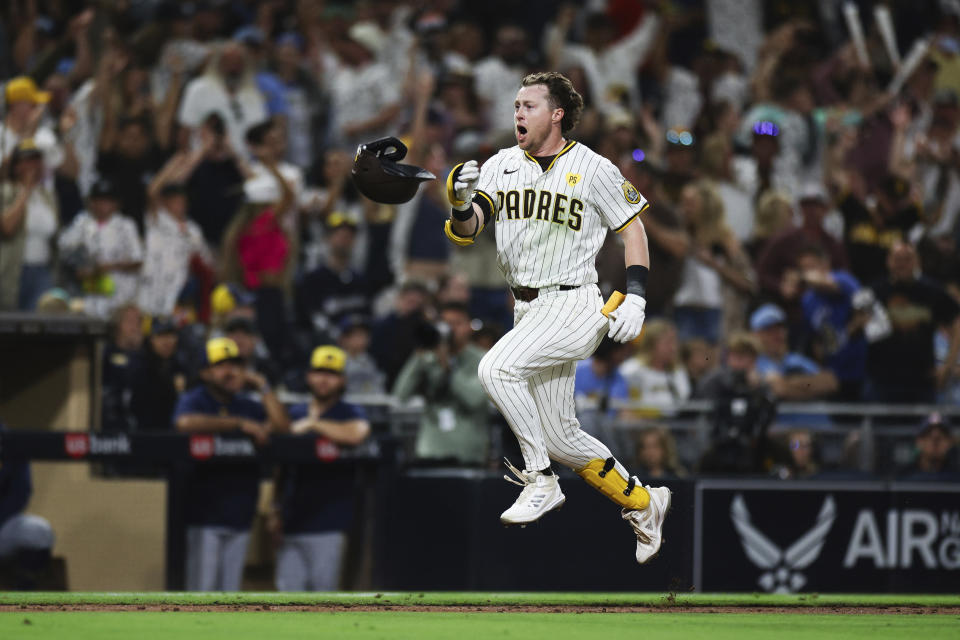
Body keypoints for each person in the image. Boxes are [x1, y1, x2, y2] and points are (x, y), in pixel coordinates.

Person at [444, 72, 670, 564]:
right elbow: (469, 230)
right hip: (526, 309)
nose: (518, 113)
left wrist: (635, 298)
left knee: (494, 369)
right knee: (561, 435)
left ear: (556, 113)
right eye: (516, 106)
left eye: (528, 105)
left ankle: (540, 479)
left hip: (574, 302)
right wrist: (461, 202)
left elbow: (634, 232)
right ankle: (644, 502)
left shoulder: (594, 167)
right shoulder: (502, 164)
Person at [172, 337, 287, 591]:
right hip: (204, 515)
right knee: (201, 595)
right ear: (205, 372)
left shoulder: (247, 404)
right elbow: (184, 423)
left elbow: (281, 427)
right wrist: (238, 424)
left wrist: (263, 385)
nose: (231, 371)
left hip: (241, 513)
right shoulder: (196, 399)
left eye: (235, 365)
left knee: (229, 597)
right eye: (221, 365)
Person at [273, 345, 371, 591]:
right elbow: (280, 467)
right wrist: (274, 511)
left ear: (342, 379)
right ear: (308, 376)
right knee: (286, 595)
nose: (324, 379)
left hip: (330, 521)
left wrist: (314, 424)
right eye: (319, 372)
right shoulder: (295, 413)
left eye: (331, 373)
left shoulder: (349, 411)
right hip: (292, 520)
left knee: (324, 596)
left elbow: (356, 434)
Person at [393, 302, 490, 465]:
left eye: (456, 323)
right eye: (445, 324)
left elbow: (474, 400)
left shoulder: (483, 359)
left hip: (467, 454)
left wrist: (447, 366)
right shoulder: (428, 358)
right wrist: (419, 355)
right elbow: (400, 395)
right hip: (430, 451)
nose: (450, 330)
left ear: (468, 327)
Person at [863, 242, 960, 403]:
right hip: (881, 381)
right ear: (888, 261)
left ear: (917, 262)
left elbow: (956, 322)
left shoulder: (931, 291)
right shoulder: (874, 292)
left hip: (921, 382)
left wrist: (948, 367)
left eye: (907, 259)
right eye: (897, 259)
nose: (902, 264)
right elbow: (854, 327)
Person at [57, 178, 143, 318]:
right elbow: (65, 250)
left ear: (116, 203)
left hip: (120, 294)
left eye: (108, 200)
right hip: (90, 295)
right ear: (91, 202)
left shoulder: (126, 225)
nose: (103, 205)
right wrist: (82, 267)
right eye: (99, 200)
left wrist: (108, 266)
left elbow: (137, 260)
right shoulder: (81, 223)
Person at [0, 139, 59, 311]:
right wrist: (25, 189)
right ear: (16, 166)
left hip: (42, 270)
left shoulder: (48, 197)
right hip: (13, 270)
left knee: (39, 325)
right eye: (28, 160)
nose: (34, 165)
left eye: (37, 160)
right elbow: (7, 228)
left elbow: (55, 235)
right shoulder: (5, 191)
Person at [0, 424, 55, 590]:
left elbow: (21, 491)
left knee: (39, 531)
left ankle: (25, 589)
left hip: (2, 524)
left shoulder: (11, 443)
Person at [621, 319, 691, 412]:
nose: (673, 348)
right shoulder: (631, 370)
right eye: (668, 342)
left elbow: (683, 401)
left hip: (673, 423)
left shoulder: (677, 371)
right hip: (640, 423)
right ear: (651, 344)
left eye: (674, 342)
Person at [898, 413, 959, 481]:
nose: (935, 442)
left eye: (941, 437)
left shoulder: (956, 480)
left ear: (950, 442)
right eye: (928, 435)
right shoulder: (904, 478)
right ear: (919, 441)